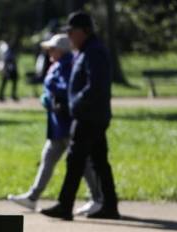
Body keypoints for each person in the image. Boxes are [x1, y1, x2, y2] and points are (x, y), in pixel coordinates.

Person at [8, 34, 103, 215]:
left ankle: (98, 198)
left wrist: (51, 96)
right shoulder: (57, 65)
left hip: (68, 124)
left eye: (53, 49)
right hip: (57, 125)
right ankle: (33, 197)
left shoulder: (69, 65)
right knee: (48, 158)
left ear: (62, 50)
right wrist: (48, 98)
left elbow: (68, 90)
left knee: (82, 163)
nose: (49, 52)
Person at [41, 11, 120, 221]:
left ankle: (65, 205)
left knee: (75, 160)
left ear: (84, 31)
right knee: (99, 162)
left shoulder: (93, 52)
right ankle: (110, 205)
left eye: (71, 31)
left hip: (88, 117)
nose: (69, 35)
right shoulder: (87, 50)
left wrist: (75, 104)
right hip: (92, 116)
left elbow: (96, 86)